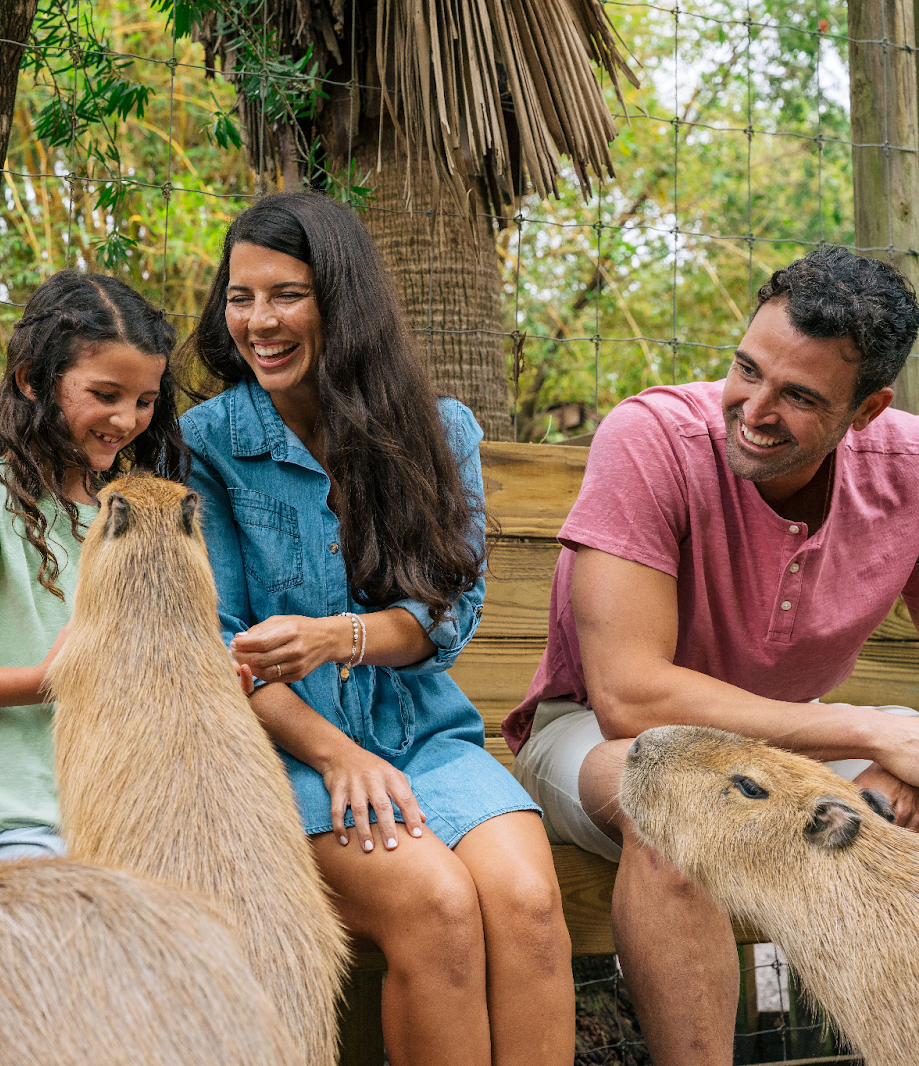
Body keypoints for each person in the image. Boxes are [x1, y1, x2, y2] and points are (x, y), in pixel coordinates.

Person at [181, 191, 574, 1066]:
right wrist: (334, 753)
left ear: (342, 298)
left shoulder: (438, 430)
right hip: (283, 756)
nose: (258, 321)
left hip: (425, 738)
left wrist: (340, 637)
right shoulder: (206, 442)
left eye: (286, 294)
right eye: (240, 297)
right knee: (435, 905)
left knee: (529, 907)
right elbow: (219, 643)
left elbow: (446, 615)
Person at [504, 247, 919, 1065]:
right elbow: (632, 699)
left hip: (791, 745)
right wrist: (871, 730)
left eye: (798, 396)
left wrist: (900, 757)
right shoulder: (651, 438)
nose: (753, 409)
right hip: (594, 740)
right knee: (682, 797)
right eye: (745, 369)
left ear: (867, 410)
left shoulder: (908, 470)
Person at [0, 271, 187, 873]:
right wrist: (44, 679)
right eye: (105, 395)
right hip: (22, 819)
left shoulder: (127, 507)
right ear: (31, 380)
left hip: (130, 809)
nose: (127, 420)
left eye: (145, 401)